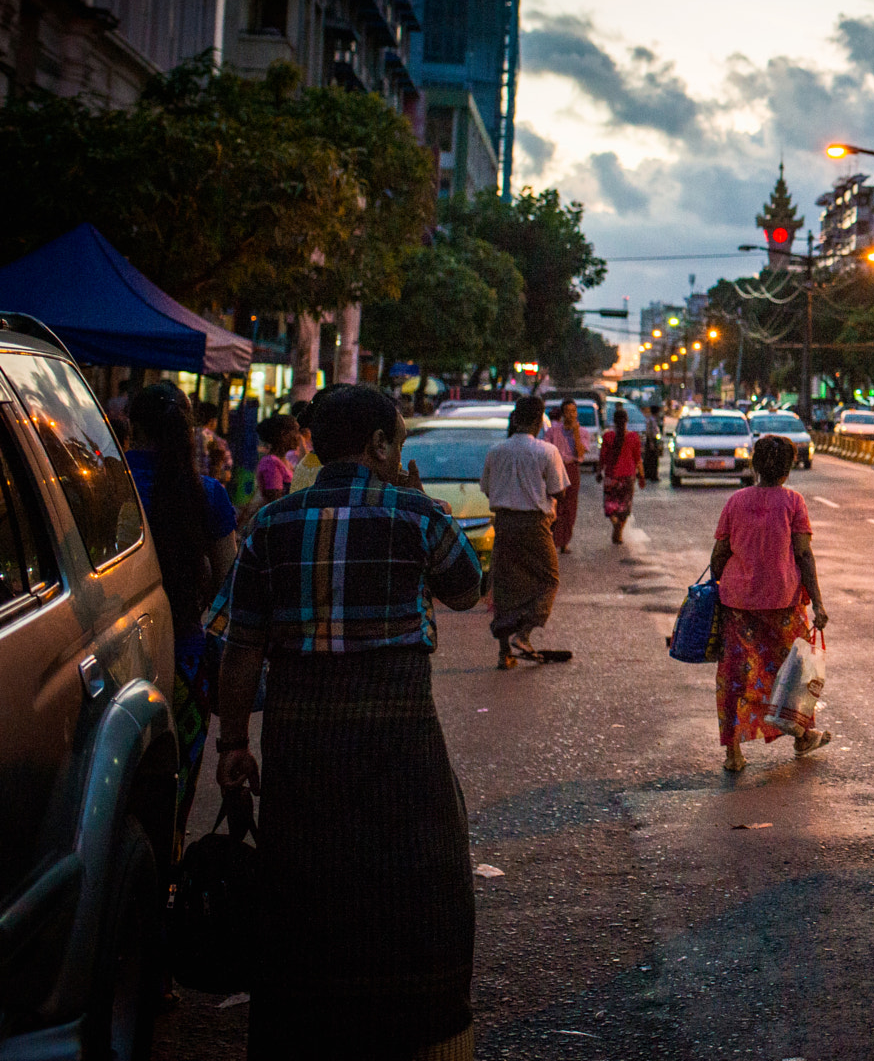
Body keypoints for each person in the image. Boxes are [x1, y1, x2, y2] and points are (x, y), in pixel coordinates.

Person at [209, 384, 484, 1060]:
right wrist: (418, 498)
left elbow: (241, 645)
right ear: (383, 446)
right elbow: (468, 589)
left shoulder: (271, 525)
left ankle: (307, 1034)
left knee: (305, 890)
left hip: (303, 749)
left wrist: (236, 744)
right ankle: (418, 1034)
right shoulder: (420, 515)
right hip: (402, 748)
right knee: (416, 883)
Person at [126, 384, 240, 845]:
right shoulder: (207, 493)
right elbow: (227, 581)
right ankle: (162, 883)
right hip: (184, 663)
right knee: (171, 790)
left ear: (130, 426)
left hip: (107, 662)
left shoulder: (102, 482)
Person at [707, 434, 830, 773]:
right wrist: (818, 602)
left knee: (734, 676)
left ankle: (733, 754)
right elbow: (803, 553)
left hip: (737, 604)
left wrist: (721, 583)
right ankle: (802, 735)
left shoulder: (736, 501)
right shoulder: (793, 502)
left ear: (754, 465)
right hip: (784, 602)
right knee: (792, 672)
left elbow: (720, 552)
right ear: (788, 469)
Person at [480, 397, 570, 669]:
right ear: (538, 420)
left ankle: (504, 652)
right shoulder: (546, 451)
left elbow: (486, 488)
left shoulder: (496, 451)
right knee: (548, 579)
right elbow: (558, 491)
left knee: (506, 586)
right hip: (534, 524)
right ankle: (523, 633)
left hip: (504, 524)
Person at [542, 401, 587, 553]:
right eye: (567, 411)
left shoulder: (582, 432)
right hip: (556, 470)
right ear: (562, 413)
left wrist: (575, 433)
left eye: (573, 411)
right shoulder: (552, 432)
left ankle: (564, 541)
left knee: (570, 506)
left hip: (572, 468)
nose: (571, 414)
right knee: (556, 504)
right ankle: (554, 539)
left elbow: (580, 454)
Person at [597, 404, 641, 545]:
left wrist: (599, 472)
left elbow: (602, 458)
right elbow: (637, 459)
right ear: (627, 421)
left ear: (613, 421)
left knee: (611, 505)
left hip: (611, 476)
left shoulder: (608, 437)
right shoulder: (634, 437)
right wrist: (642, 476)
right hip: (628, 477)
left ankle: (615, 522)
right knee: (624, 506)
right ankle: (619, 533)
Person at [253, 414, 299, 508]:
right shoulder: (271, 462)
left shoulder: (284, 462)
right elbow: (275, 501)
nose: (298, 436)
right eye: (296, 431)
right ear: (283, 434)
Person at [192, 400, 234, 486]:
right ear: (212, 421)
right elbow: (226, 473)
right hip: (211, 489)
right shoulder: (219, 442)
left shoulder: (186, 438)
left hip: (190, 488)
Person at [640, 408, 663, 483]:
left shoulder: (652, 420)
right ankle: (653, 475)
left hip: (652, 440)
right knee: (653, 459)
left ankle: (649, 474)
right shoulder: (651, 420)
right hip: (652, 440)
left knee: (649, 458)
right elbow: (649, 432)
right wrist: (651, 442)